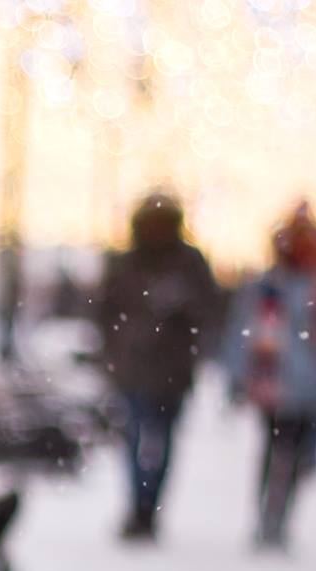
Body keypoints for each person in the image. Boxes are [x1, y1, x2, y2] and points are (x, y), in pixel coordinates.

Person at [224, 203, 316, 551]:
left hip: (293, 385)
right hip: (286, 386)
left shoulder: (295, 289)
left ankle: (274, 517)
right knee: (284, 452)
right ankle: (273, 518)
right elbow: (245, 334)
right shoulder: (278, 288)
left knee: (286, 454)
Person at [93, 193, 220, 542]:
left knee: (157, 441)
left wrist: (181, 314)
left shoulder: (187, 263)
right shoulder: (128, 263)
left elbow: (208, 311)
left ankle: (148, 509)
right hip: (136, 369)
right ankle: (140, 508)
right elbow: (105, 312)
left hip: (170, 372)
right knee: (138, 440)